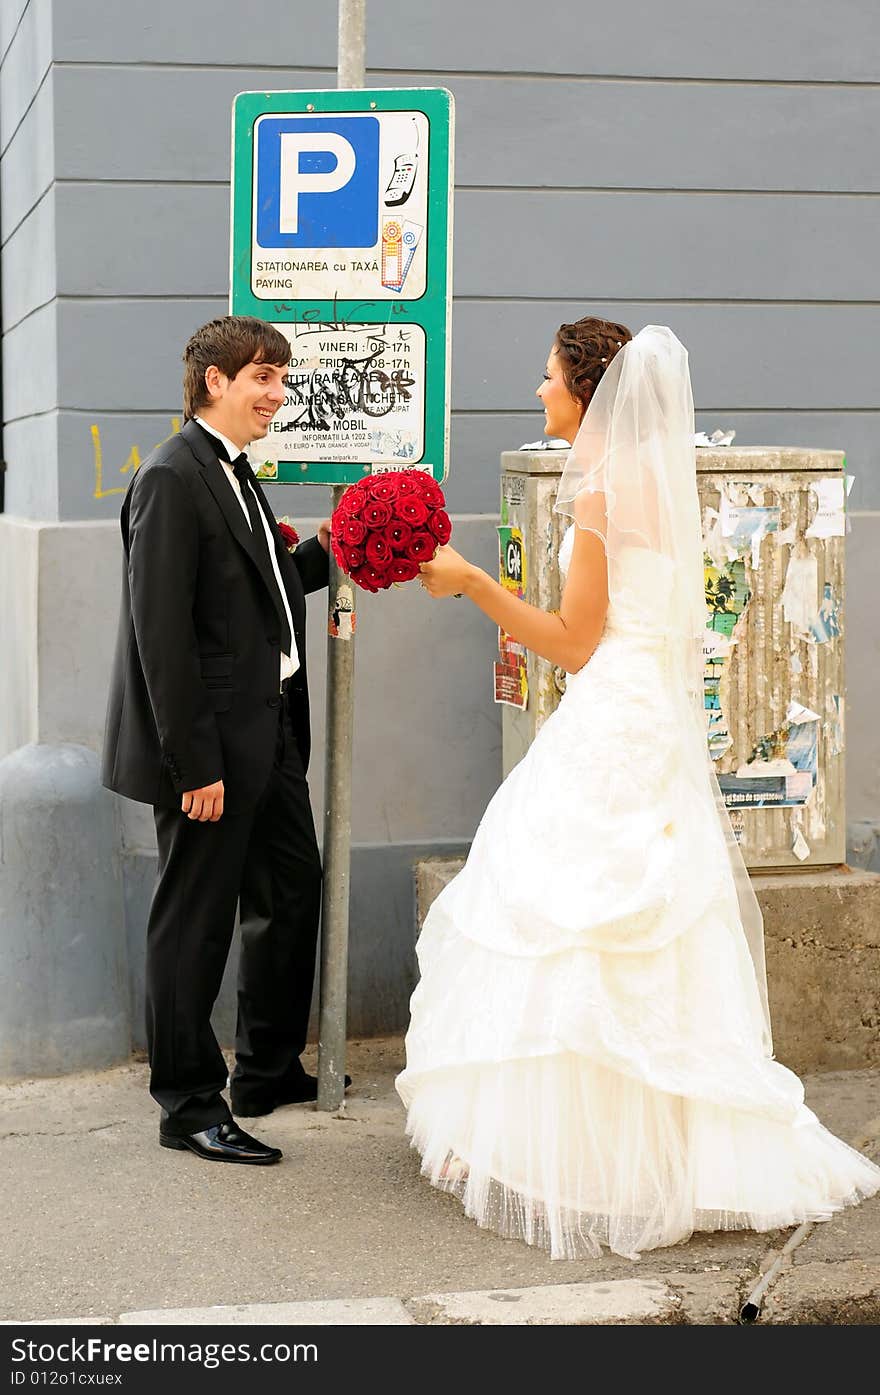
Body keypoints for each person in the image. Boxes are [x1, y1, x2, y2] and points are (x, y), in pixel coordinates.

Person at [396, 319, 880, 1258]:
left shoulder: (602, 492)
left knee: (566, 911)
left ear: (588, 392)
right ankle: (661, 1142)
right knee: (642, 920)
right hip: (649, 717)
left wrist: (467, 583)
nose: (538, 393)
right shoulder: (663, 489)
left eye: (548, 379)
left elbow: (574, 641)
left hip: (611, 710)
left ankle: (573, 1153)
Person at [103, 315, 345, 1166]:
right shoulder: (173, 476)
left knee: (291, 890)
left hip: (271, 728)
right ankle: (189, 1102)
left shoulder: (234, 473)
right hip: (209, 746)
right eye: (264, 378)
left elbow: (266, 583)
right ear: (215, 381)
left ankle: (267, 1070)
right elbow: (159, 633)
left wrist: (342, 546)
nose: (279, 394)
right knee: (195, 921)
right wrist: (192, 764)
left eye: (281, 377)